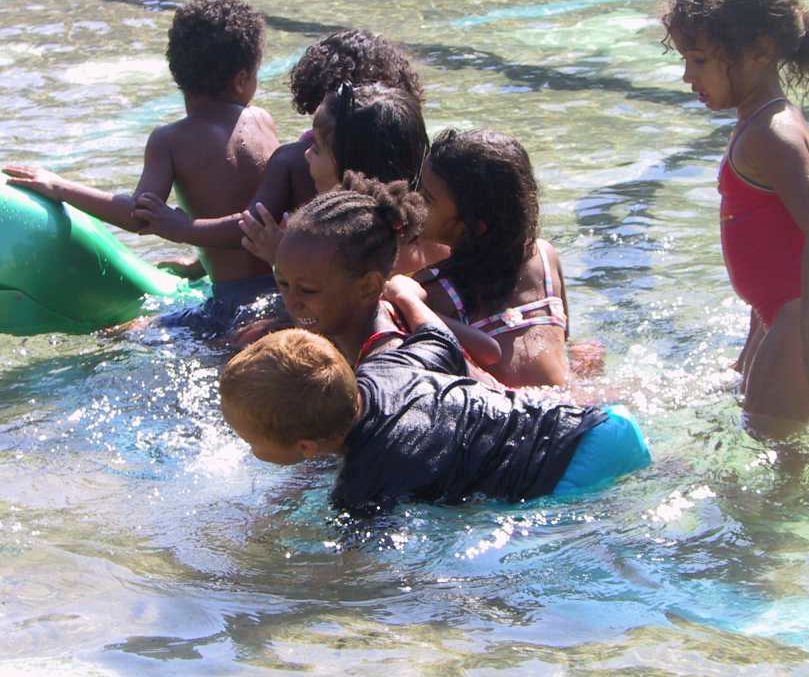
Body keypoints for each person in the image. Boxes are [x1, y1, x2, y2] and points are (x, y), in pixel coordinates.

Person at [219, 275, 651, 517]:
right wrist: (407, 297)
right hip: (600, 423)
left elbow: (359, 569)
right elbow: (439, 338)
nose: (250, 450)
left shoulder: (363, 483)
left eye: (251, 441)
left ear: (307, 448)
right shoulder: (385, 367)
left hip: (571, 475)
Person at [4, 0, 279, 336]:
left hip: (230, 307)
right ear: (241, 79)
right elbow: (252, 209)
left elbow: (139, 215)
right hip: (283, 290)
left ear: (176, 71)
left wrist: (59, 187)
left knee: (117, 335)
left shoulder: (169, 139)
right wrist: (199, 265)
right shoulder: (263, 120)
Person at [663, 0, 809, 434]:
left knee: (776, 450)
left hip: (795, 321)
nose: (687, 76)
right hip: (777, 315)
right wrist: (755, 339)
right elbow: (780, 251)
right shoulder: (757, 123)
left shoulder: (774, 133)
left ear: (760, 51)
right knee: (753, 425)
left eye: (699, 60)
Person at [131, 29, 424, 266]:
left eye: (318, 146)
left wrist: (183, 229)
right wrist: (200, 264)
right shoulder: (408, 173)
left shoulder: (292, 161)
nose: (309, 150)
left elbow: (251, 226)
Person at [274, 173, 499, 371]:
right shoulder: (365, 314)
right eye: (282, 283)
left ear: (368, 287)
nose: (291, 302)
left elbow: (491, 352)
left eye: (308, 290)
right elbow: (489, 350)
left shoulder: (391, 363)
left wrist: (409, 300)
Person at [414, 128, 571, 387]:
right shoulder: (545, 257)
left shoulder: (435, 291)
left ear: (475, 227)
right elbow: (565, 345)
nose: (414, 200)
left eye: (428, 199)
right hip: (575, 404)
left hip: (516, 411)